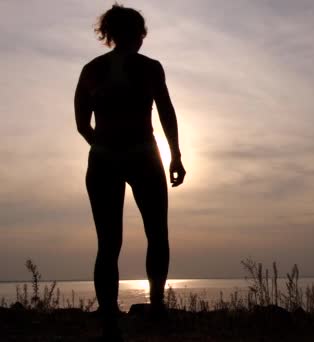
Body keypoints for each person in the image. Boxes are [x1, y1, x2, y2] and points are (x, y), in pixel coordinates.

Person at [74, 4, 185, 336]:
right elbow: (166, 112)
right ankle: (156, 308)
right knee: (157, 234)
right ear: (137, 33)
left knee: (108, 242)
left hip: (105, 158)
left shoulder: (91, 69)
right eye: (140, 31)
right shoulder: (149, 68)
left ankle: (109, 312)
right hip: (142, 156)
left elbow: (82, 125)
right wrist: (175, 156)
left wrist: (105, 146)